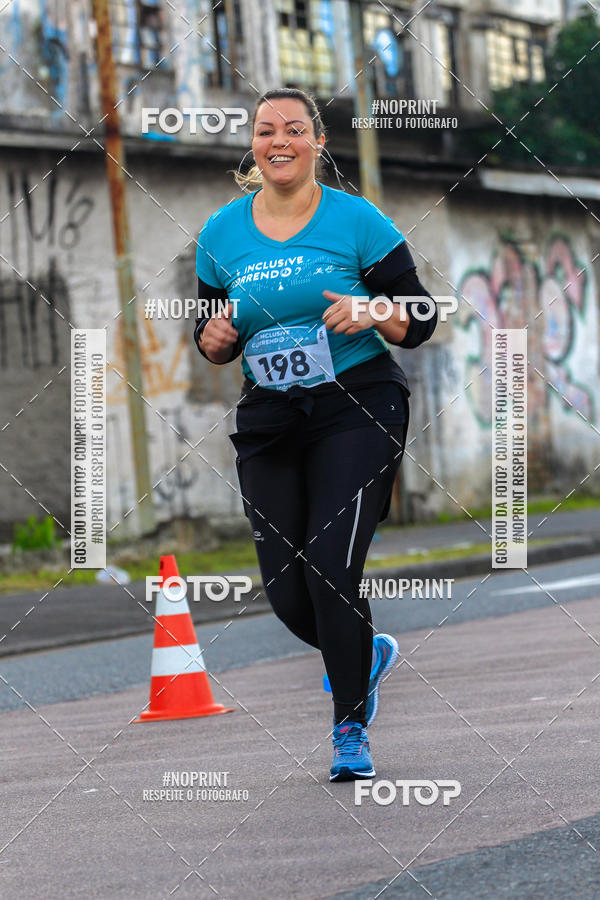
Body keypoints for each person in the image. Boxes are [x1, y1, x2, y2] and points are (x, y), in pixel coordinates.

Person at [194, 88, 437, 782]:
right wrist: (211, 339)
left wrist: (373, 310)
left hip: (356, 407)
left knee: (331, 567)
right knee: (288, 591)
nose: (280, 141)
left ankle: (349, 727)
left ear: (317, 142)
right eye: (266, 130)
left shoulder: (355, 220)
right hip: (271, 418)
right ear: (253, 144)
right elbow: (214, 333)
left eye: (294, 130)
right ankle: (367, 652)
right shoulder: (221, 233)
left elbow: (419, 317)